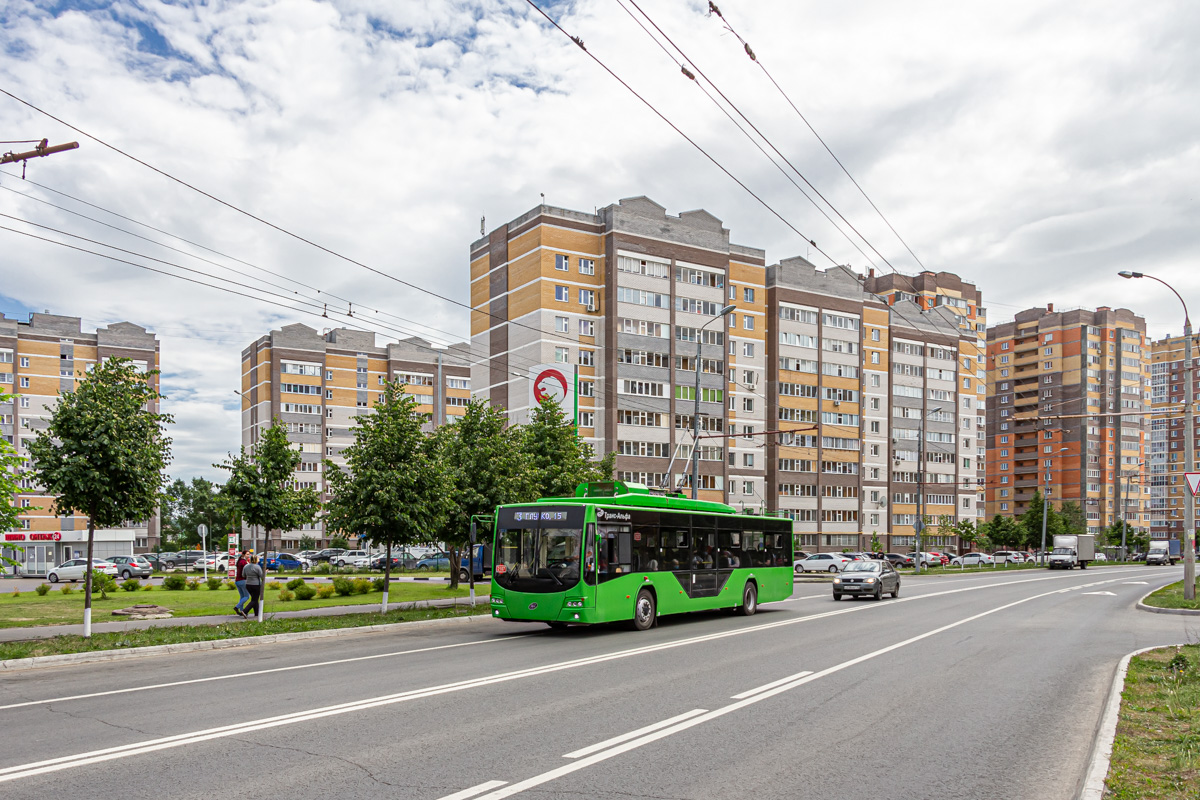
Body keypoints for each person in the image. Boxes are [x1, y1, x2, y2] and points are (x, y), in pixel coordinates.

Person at [243, 554, 264, 619]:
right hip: (256, 585)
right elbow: (262, 576)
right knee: (254, 600)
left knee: (254, 598)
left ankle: (256, 613)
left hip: (248, 584)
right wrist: (265, 572)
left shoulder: (246, 566)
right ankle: (245, 611)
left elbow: (243, 575)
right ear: (256, 560)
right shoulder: (257, 567)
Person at [233, 550, 250, 619]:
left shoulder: (239, 561)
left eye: (249, 554)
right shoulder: (244, 562)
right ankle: (237, 607)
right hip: (243, 580)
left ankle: (242, 611)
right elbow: (248, 571)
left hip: (237, 581)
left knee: (242, 596)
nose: (248, 556)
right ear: (243, 555)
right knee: (247, 596)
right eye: (247, 554)